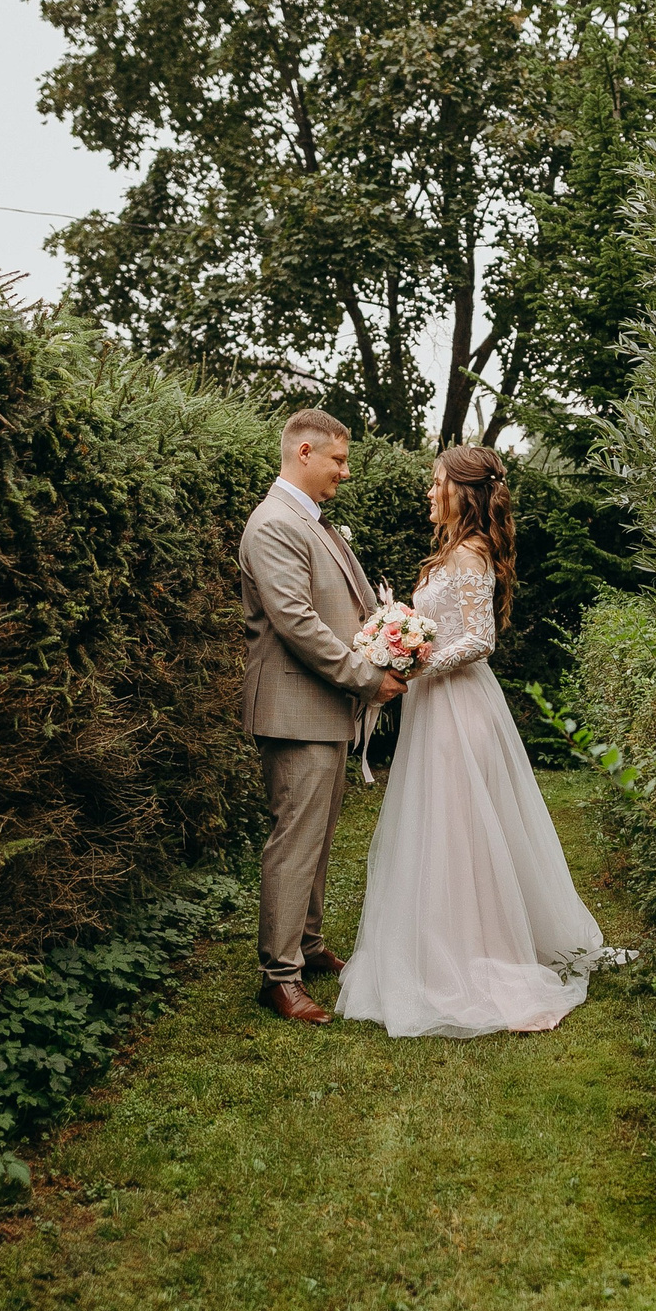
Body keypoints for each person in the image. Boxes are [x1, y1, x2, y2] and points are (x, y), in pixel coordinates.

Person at [337, 445, 626, 1038]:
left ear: (461, 492)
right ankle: (443, 936)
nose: (428, 491)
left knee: (460, 820)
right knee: (443, 819)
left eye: (435, 482)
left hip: (458, 703)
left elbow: (479, 640)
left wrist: (418, 664)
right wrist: (398, 627)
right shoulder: (452, 552)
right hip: (438, 703)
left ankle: (478, 950)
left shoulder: (471, 554)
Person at [235, 408, 404, 1025]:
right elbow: (298, 623)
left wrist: (388, 638)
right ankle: (278, 979)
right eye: (337, 459)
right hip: (294, 709)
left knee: (318, 839)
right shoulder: (274, 524)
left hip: (322, 708)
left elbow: (346, 607)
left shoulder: (315, 522)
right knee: (294, 842)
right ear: (303, 453)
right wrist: (368, 676)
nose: (345, 471)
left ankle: (306, 947)